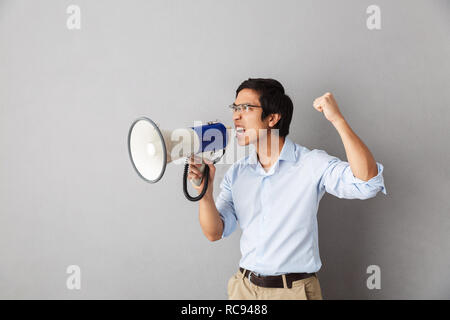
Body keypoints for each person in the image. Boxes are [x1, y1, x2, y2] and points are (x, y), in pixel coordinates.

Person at [187, 78, 386, 300]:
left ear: (272, 118)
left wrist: (337, 119)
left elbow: (367, 183)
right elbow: (214, 232)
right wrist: (205, 195)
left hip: (293, 292)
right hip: (243, 289)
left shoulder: (311, 163)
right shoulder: (237, 173)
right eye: (235, 108)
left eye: (246, 108)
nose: (235, 116)